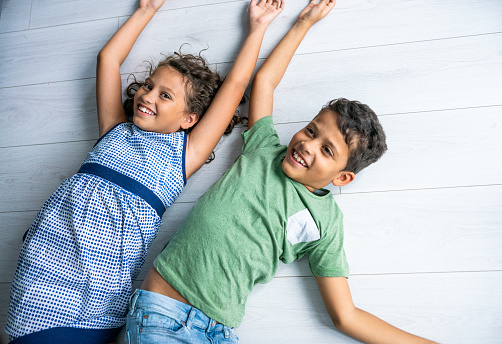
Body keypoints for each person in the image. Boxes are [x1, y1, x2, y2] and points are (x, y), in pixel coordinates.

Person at [125, 0, 439, 343]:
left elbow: (345, 315)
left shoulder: (326, 223)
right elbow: (264, 82)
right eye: (310, 130)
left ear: (342, 177)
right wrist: (303, 22)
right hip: (165, 315)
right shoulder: (265, 149)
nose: (307, 144)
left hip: (219, 331)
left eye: (327, 150)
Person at [6, 0, 284, 343]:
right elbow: (108, 59)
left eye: (164, 95)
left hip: (101, 290)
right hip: (45, 267)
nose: (146, 95)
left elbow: (237, 83)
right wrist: (146, 9)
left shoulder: (185, 154)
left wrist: (257, 27)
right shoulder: (114, 129)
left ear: (188, 119)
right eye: (148, 85)